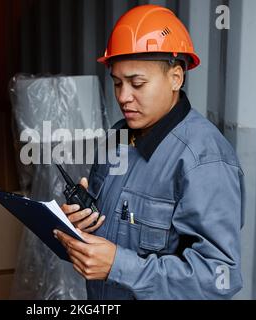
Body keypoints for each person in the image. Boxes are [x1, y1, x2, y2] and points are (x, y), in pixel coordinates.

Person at [54, 4, 245, 299]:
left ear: (176, 78)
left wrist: (119, 266)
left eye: (137, 83)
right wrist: (80, 224)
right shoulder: (117, 136)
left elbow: (218, 278)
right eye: (117, 83)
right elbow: (114, 230)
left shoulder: (204, 161)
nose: (123, 96)